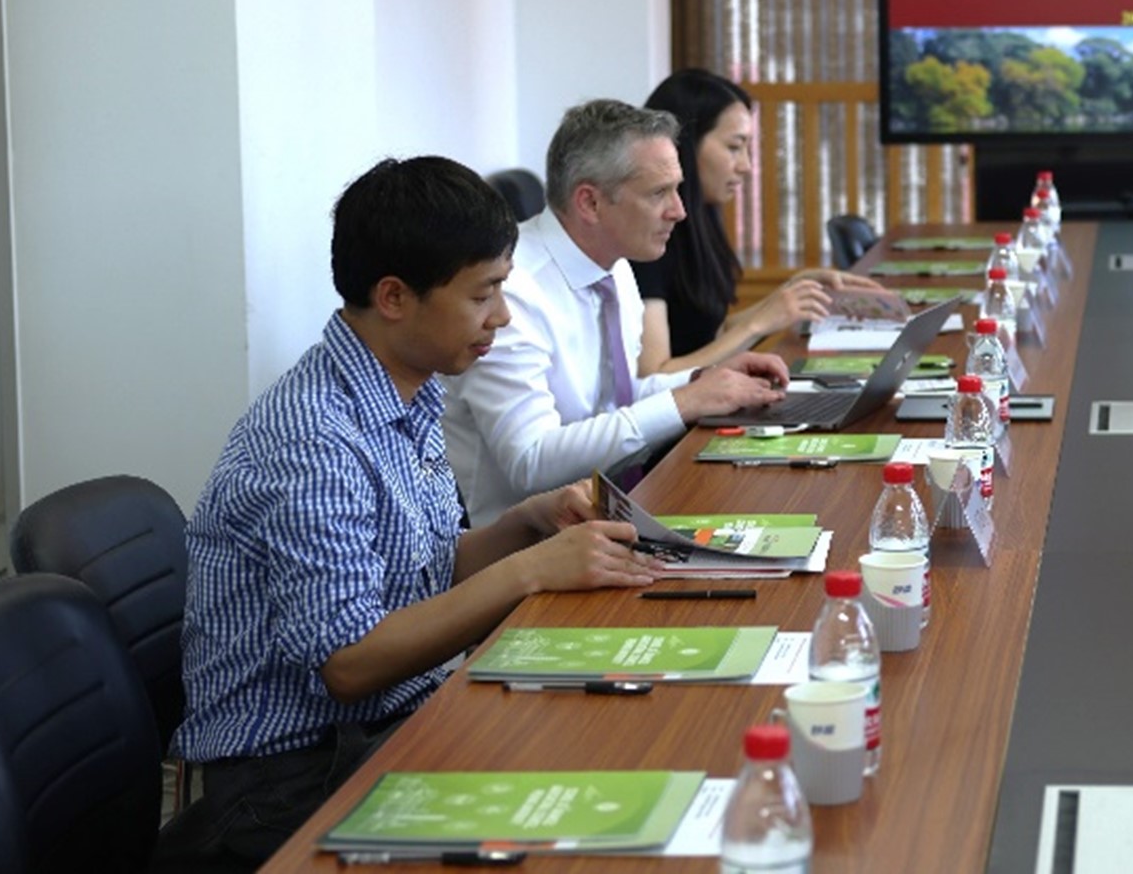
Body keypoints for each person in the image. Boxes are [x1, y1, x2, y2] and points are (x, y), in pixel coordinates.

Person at [161, 157, 665, 871]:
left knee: (604, 759)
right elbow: (349, 661)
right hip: (291, 783)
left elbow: (417, 571)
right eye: (483, 294)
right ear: (394, 297)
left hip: (382, 728)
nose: (502, 317)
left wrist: (521, 526)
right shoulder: (313, 439)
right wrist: (529, 571)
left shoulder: (408, 386)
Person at [446, 100, 787, 527]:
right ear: (590, 203)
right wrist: (685, 401)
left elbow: (615, 402)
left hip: (610, 517)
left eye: (677, 189)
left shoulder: (614, 266)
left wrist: (703, 380)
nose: (679, 210)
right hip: (528, 547)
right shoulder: (510, 291)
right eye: (659, 193)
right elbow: (531, 461)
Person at [633, 68, 891, 374]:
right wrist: (758, 323)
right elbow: (654, 376)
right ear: (682, 147)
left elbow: (710, 334)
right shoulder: (646, 238)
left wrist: (792, 293)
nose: (746, 165)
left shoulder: (699, 223)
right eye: (734, 147)